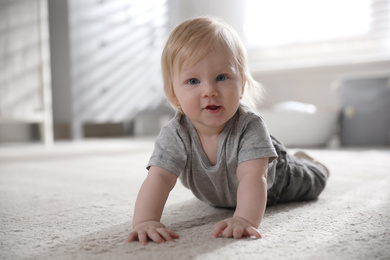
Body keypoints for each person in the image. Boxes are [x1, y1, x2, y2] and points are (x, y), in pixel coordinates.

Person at [127, 16, 329, 245]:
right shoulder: (175, 134)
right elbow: (159, 178)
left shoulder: (250, 126)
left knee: (316, 181)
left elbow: (254, 176)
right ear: (174, 94)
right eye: (193, 81)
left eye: (221, 77)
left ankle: (310, 163)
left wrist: (244, 218)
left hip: (279, 181)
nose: (209, 91)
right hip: (223, 194)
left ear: (241, 85)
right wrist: (145, 221)